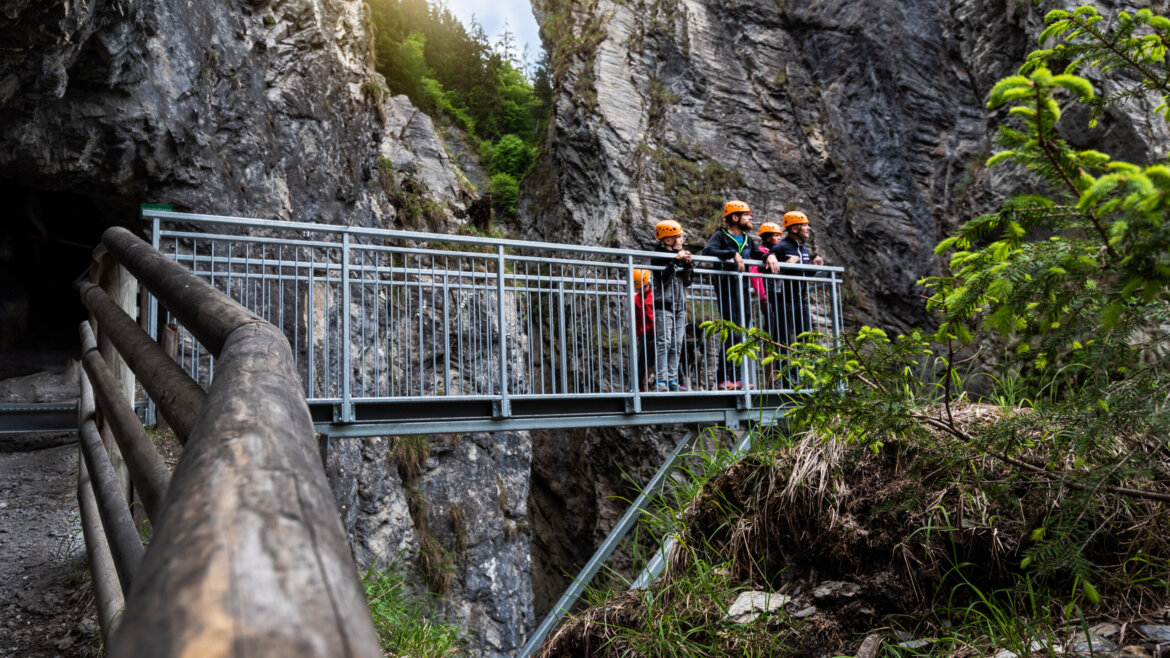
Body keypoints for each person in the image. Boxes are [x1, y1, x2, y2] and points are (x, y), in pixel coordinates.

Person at [702, 200, 756, 390]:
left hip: (742, 288)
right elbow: (708, 250)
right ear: (735, 217)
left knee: (741, 331)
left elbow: (759, 254)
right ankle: (723, 377)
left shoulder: (748, 239)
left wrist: (771, 256)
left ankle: (739, 378)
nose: (750, 218)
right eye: (746, 214)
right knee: (730, 331)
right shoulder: (721, 235)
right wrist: (732, 254)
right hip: (726, 286)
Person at [771, 210, 825, 388]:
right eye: (806, 225)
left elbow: (803, 273)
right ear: (794, 228)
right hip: (782, 300)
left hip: (799, 300)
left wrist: (814, 268)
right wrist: (786, 265)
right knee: (784, 339)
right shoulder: (781, 247)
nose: (809, 228)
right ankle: (787, 378)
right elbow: (768, 270)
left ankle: (804, 374)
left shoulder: (805, 250)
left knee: (806, 337)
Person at [651, 220, 693, 392]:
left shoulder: (680, 257)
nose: (682, 241)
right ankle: (661, 380)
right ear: (668, 240)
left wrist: (688, 264)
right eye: (679, 237)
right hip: (664, 304)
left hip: (679, 305)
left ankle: (673, 379)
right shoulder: (658, 256)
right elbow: (663, 278)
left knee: (677, 343)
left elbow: (687, 282)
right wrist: (674, 262)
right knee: (664, 342)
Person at [751, 221, 784, 386]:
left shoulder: (775, 252)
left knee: (779, 335)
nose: (778, 238)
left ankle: (780, 376)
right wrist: (762, 296)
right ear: (767, 237)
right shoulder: (761, 252)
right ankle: (771, 378)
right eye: (775, 235)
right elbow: (754, 273)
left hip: (778, 298)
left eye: (779, 235)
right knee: (770, 336)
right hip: (768, 298)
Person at [632, 268, 655, 391]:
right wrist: (637, 334)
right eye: (638, 289)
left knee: (661, 355)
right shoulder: (637, 298)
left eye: (643, 288)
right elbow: (636, 318)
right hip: (644, 333)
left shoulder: (654, 295)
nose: (640, 291)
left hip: (656, 332)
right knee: (643, 359)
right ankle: (639, 386)